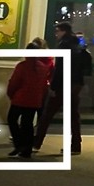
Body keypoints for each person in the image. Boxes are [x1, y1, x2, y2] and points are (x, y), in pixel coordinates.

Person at [33, 22, 87, 154]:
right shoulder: (78, 44)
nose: (56, 34)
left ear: (63, 31)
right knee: (73, 116)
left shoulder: (64, 45)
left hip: (63, 85)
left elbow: (60, 68)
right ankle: (75, 145)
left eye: (57, 31)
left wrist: (54, 87)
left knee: (47, 114)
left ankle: (37, 142)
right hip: (75, 84)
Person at [6, 40, 52, 158]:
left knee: (12, 119)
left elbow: (14, 83)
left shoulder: (22, 66)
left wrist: (11, 94)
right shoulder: (42, 67)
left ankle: (19, 144)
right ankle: (27, 149)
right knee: (28, 124)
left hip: (20, 98)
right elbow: (42, 85)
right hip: (34, 100)